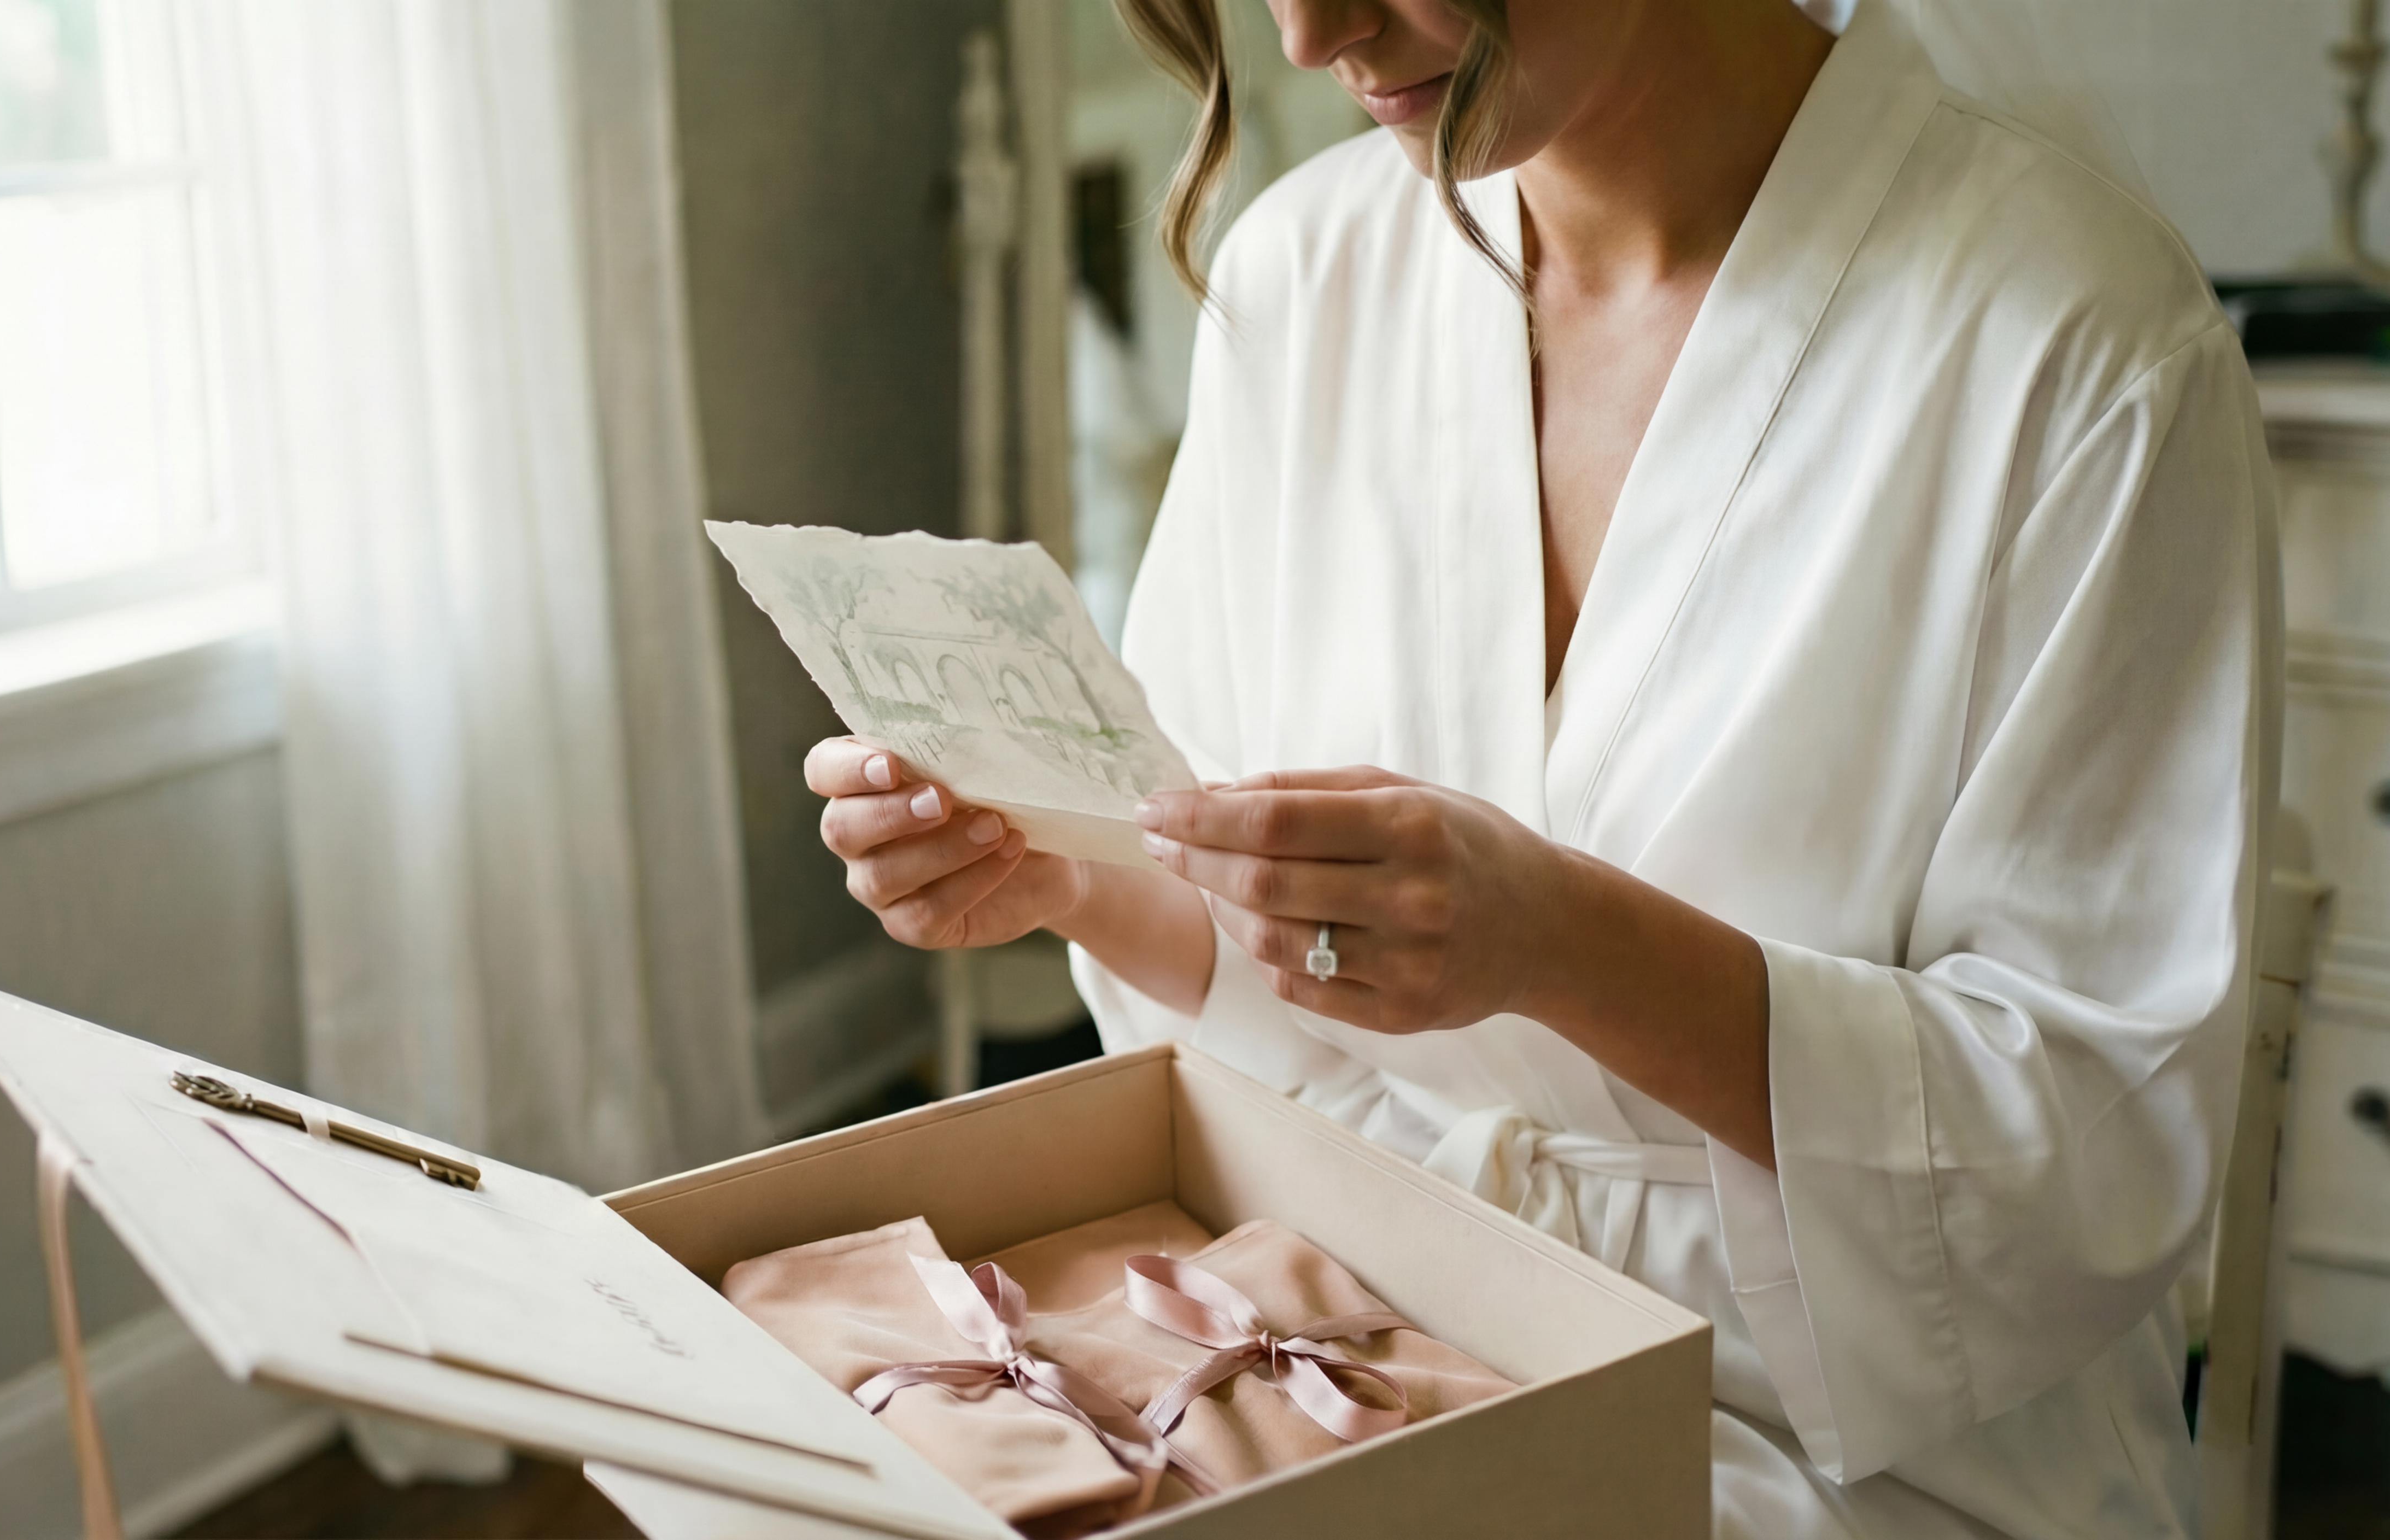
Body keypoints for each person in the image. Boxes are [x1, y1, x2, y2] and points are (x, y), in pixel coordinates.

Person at [803, 0, 2273, 1533]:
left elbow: (2096, 1145)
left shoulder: (2078, 346)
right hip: (1379, 1333)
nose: (1312, 38)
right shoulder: (1303, 278)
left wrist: (1562, 941)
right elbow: (1266, 957)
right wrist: (1075, 881)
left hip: (1862, 1444)